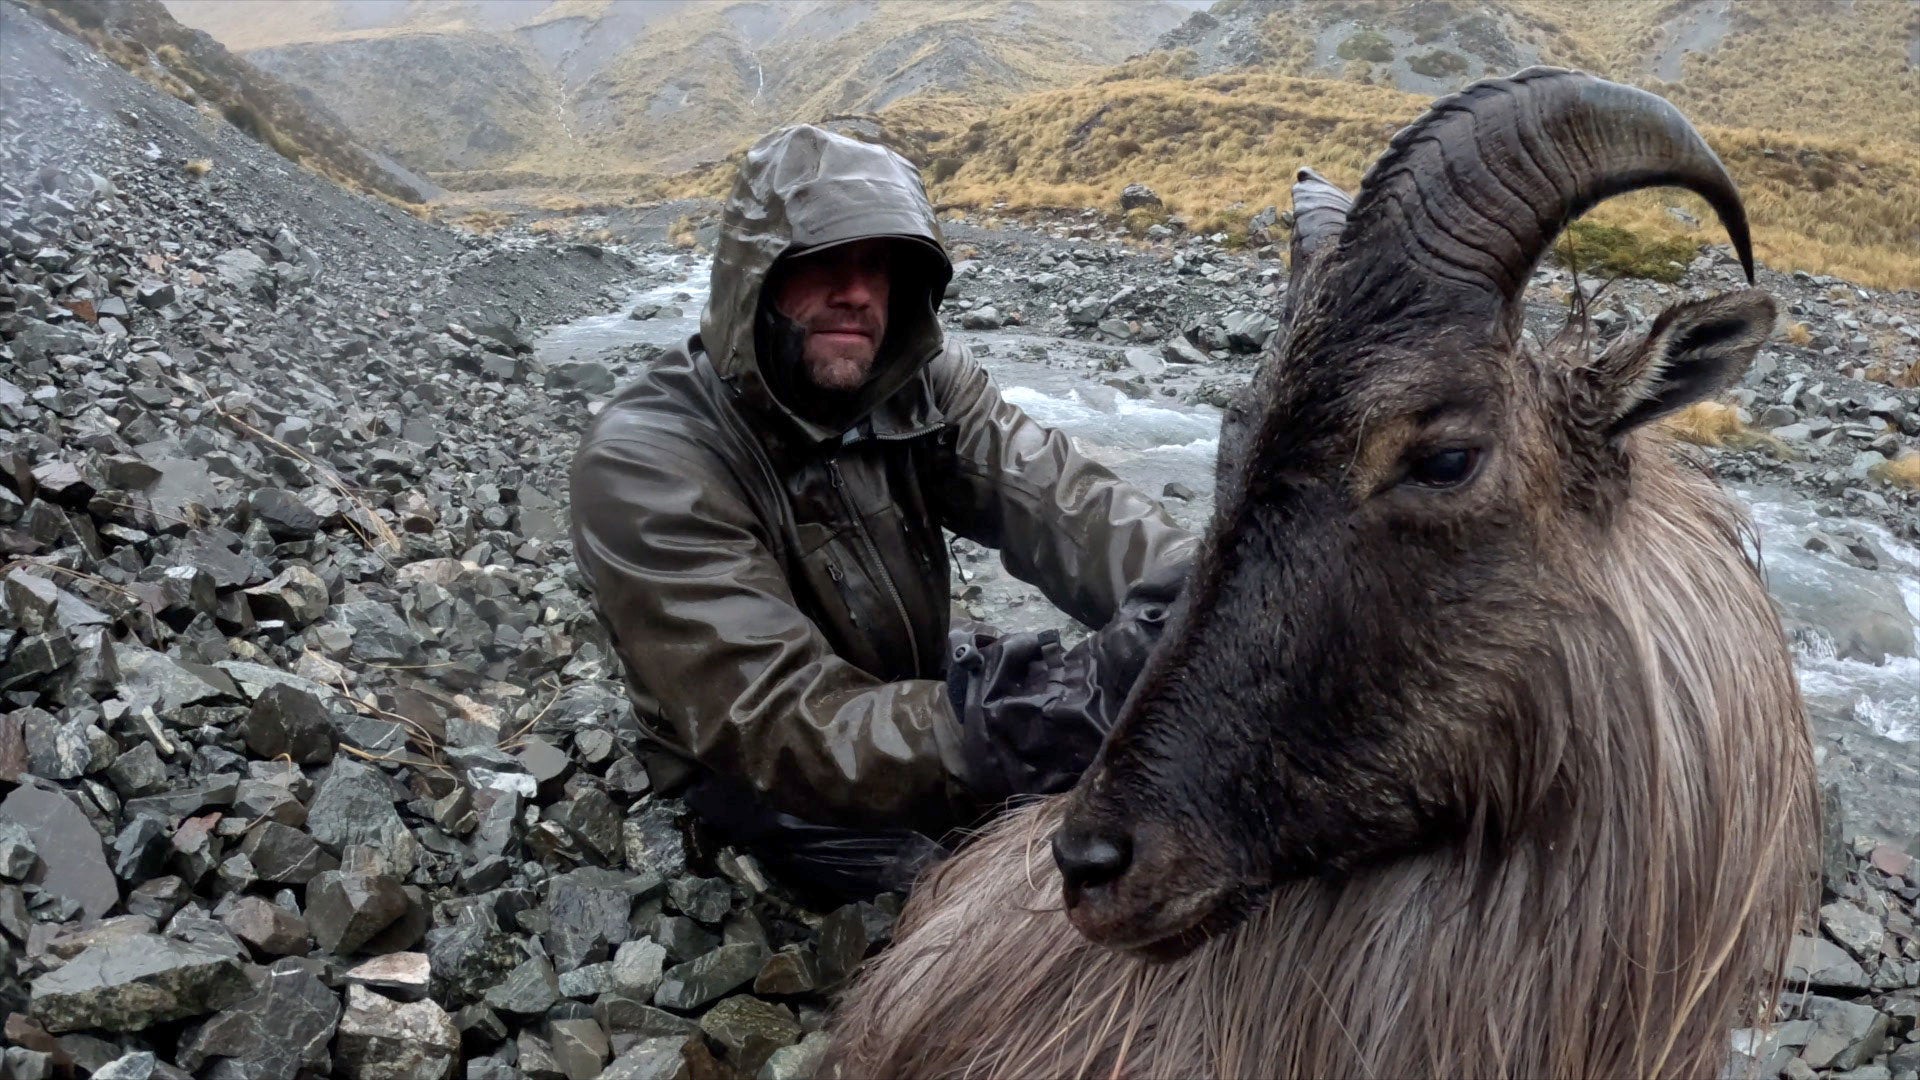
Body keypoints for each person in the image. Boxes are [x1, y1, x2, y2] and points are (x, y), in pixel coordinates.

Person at [569, 124, 1196, 898]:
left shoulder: (921, 382)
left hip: (908, 665)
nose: (858, 293)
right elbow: (781, 722)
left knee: (1137, 758)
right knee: (972, 901)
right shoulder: (645, 461)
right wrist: (1023, 726)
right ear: (753, 275)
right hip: (759, 760)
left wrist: (1210, 601)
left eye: (880, 267)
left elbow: (1067, 505)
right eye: (825, 261)